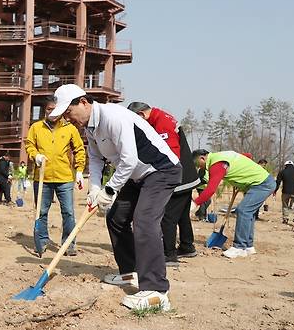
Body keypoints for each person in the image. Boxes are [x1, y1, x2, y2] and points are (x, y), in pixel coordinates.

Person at [51, 85, 181, 311]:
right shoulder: (89, 127)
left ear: (83, 102)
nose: (68, 119)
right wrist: (94, 189)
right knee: (116, 217)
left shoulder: (113, 116)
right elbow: (96, 159)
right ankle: (130, 272)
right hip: (136, 175)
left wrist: (109, 190)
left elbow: (129, 158)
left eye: (68, 113)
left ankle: (157, 290)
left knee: (144, 220)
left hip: (161, 170)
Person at [127, 102, 199, 264]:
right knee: (181, 215)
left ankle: (169, 254)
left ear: (141, 115)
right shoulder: (162, 117)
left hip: (178, 177)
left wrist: (162, 177)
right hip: (186, 176)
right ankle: (187, 247)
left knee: (168, 216)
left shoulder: (162, 124)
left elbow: (170, 153)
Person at [25, 96, 86, 257]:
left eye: (54, 109)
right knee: (41, 212)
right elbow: (29, 145)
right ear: (44, 110)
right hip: (42, 178)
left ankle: (68, 243)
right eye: (48, 109)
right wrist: (35, 155)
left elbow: (79, 149)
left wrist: (79, 170)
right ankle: (42, 240)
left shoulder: (70, 128)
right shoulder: (36, 128)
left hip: (64, 178)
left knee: (68, 212)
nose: (51, 112)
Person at [192, 149, 276, 258]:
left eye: (197, 164)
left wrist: (194, 203)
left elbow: (211, 189)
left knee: (243, 210)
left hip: (262, 184)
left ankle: (239, 247)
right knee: (248, 212)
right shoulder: (221, 156)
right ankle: (248, 246)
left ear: (202, 158)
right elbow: (245, 156)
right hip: (261, 182)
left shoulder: (216, 164)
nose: (199, 167)